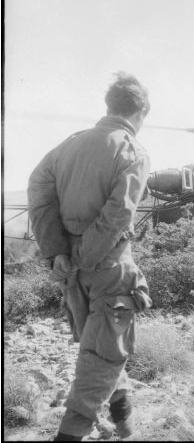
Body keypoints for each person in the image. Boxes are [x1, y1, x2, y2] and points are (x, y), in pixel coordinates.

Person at [28, 72, 152, 441]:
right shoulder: (132, 151)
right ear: (142, 111)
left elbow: (39, 190)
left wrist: (58, 252)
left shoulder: (68, 145)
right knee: (102, 357)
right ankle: (69, 435)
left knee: (99, 345)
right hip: (108, 269)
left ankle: (125, 424)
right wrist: (83, 255)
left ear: (109, 105)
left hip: (72, 274)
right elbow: (118, 215)